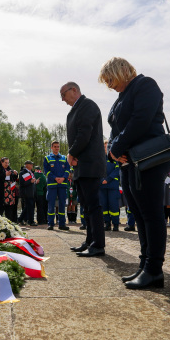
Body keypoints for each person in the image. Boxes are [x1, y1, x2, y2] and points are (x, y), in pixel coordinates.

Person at [100, 57, 170, 289]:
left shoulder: (145, 85)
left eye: (110, 79)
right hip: (129, 161)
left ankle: (154, 269)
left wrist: (116, 147)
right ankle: (144, 264)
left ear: (122, 71)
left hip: (148, 159)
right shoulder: (121, 96)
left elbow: (139, 121)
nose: (109, 85)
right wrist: (113, 149)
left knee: (151, 214)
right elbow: (116, 129)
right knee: (139, 214)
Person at [61, 82, 107, 257]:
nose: (63, 99)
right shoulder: (76, 109)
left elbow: (84, 133)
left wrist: (71, 153)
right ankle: (89, 240)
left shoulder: (87, 105)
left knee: (93, 206)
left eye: (63, 95)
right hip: (81, 165)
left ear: (74, 90)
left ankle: (98, 244)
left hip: (90, 164)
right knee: (86, 206)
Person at [43, 141, 70, 230]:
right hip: (52, 184)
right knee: (51, 204)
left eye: (58, 146)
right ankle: (51, 224)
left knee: (62, 204)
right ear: (51, 147)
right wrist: (55, 178)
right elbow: (47, 171)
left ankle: (62, 224)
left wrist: (63, 178)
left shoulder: (64, 158)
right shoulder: (47, 158)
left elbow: (67, 170)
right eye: (55, 146)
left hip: (62, 184)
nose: (57, 148)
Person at [100, 139, 121, 231]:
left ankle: (115, 224)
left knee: (114, 205)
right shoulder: (99, 158)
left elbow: (117, 170)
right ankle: (107, 223)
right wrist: (101, 180)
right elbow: (96, 170)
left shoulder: (114, 157)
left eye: (107, 146)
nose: (105, 148)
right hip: (102, 186)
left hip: (112, 186)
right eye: (104, 146)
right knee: (104, 206)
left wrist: (107, 179)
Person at [18, 160, 38, 226]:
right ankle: (31, 221)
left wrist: (34, 182)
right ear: (27, 165)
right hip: (27, 192)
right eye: (31, 164)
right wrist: (31, 181)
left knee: (28, 207)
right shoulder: (23, 172)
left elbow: (30, 181)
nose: (32, 165)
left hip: (32, 192)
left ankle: (20, 219)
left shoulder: (30, 172)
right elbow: (23, 183)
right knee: (30, 207)